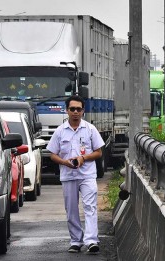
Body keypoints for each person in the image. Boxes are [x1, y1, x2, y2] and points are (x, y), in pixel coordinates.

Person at [46, 95, 104, 254]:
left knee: (90, 207)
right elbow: (52, 154)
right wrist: (64, 162)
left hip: (87, 175)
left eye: (79, 109)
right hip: (68, 176)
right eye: (72, 109)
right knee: (71, 210)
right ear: (67, 111)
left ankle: (91, 241)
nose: (75, 112)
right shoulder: (60, 131)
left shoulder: (90, 129)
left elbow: (98, 152)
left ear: (83, 111)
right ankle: (76, 241)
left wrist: (83, 158)